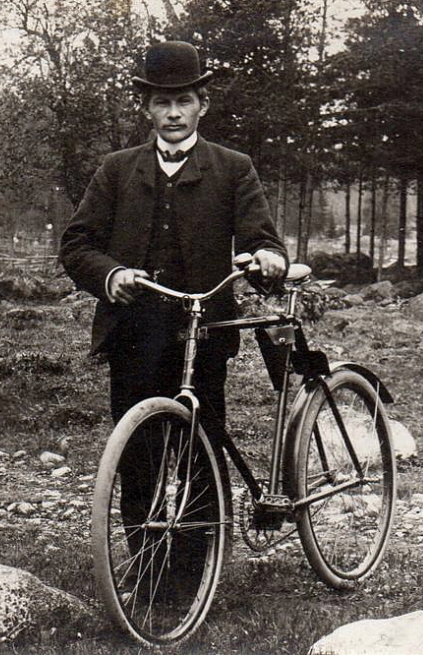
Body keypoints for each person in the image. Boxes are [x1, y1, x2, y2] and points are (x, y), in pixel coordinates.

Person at [59, 40, 288, 580]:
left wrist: (267, 259)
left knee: (199, 452)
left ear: (202, 104)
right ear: (146, 108)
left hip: (203, 330)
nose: (174, 114)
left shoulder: (234, 169)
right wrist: (110, 274)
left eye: (184, 101)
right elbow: (76, 244)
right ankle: (145, 564)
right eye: (162, 103)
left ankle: (193, 570)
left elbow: (265, 239)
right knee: (136, 456)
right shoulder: (117, 170)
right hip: (134, 333)